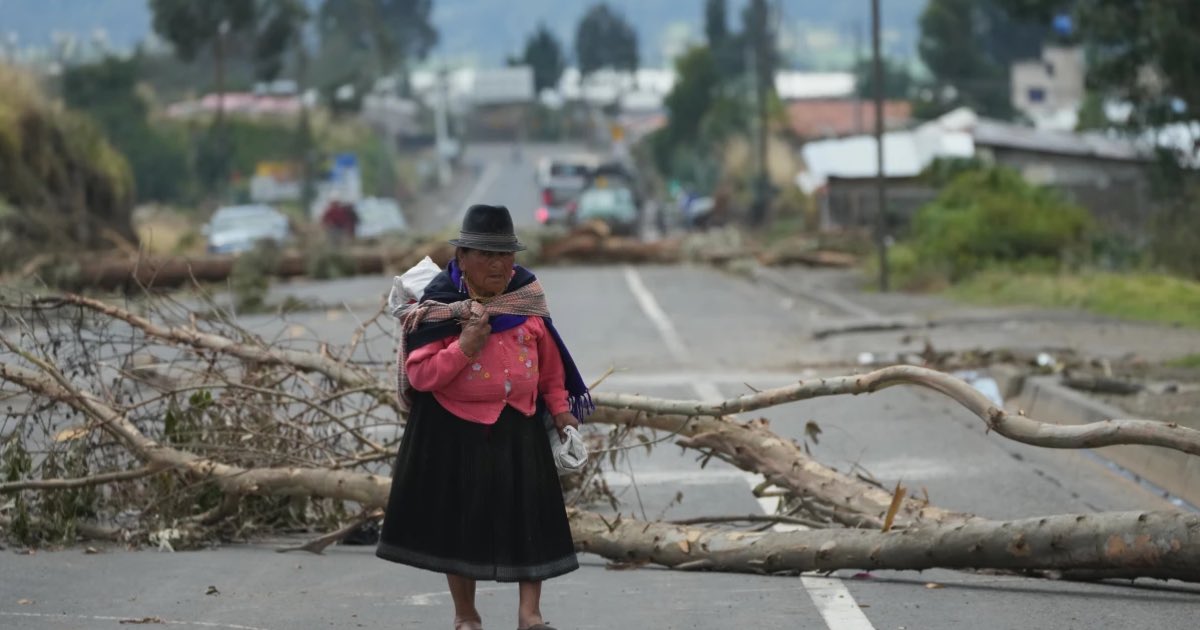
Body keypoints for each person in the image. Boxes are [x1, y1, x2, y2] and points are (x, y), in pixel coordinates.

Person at [377, 204, 592, 630]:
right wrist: (465, 347)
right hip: (456, 428)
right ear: (461, 258)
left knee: (530, 519)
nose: (498, 264)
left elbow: (550, 368)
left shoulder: (526, 298)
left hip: (520, 422)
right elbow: (421, 376)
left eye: (505, 255)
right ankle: (466, 615)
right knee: (462, 524)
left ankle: (530, 616)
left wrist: (563, 413)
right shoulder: (440, 305)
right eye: (485, 255)